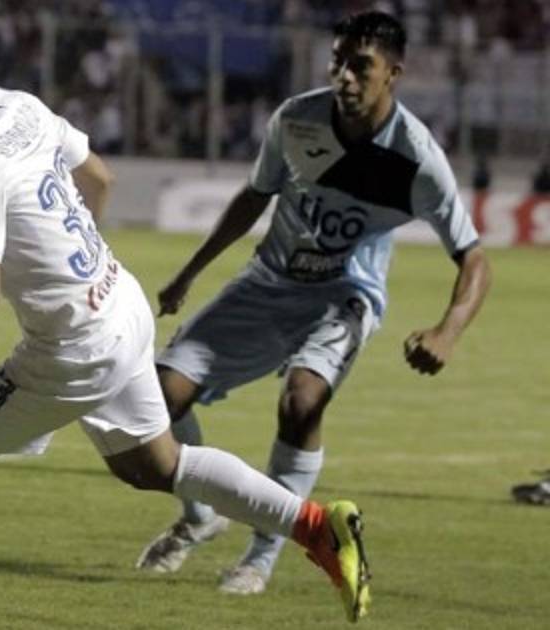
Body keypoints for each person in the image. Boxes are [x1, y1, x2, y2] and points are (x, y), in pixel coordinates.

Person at [0, 7, 370, 626]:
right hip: (119, 303)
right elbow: (99, 177)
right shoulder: (19, 107)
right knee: (155, 465)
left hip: (74, 348)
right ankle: (318, 526)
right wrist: (77, 270)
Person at [135, 10, 491, 596]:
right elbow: (254, 197)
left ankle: (260, 557)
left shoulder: (416, 159)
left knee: (302, 400)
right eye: (337, 61)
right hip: (268, 283)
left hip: (344, 298)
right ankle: (201, 517)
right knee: (156, 394)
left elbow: (474, 258)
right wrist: (188, 273)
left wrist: (446, 332)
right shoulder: (297, 120)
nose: (344, 76)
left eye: (361, 66)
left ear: (393, 73)